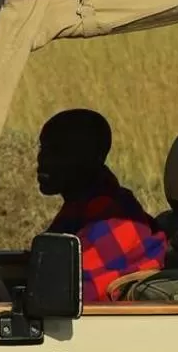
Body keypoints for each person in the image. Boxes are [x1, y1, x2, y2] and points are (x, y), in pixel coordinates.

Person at [36, 108, 168, 302]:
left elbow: (68, 295)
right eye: (42, 148)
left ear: (94, 158)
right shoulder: (80, 207)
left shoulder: (115, 218)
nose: (42, 159)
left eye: (58, 151)